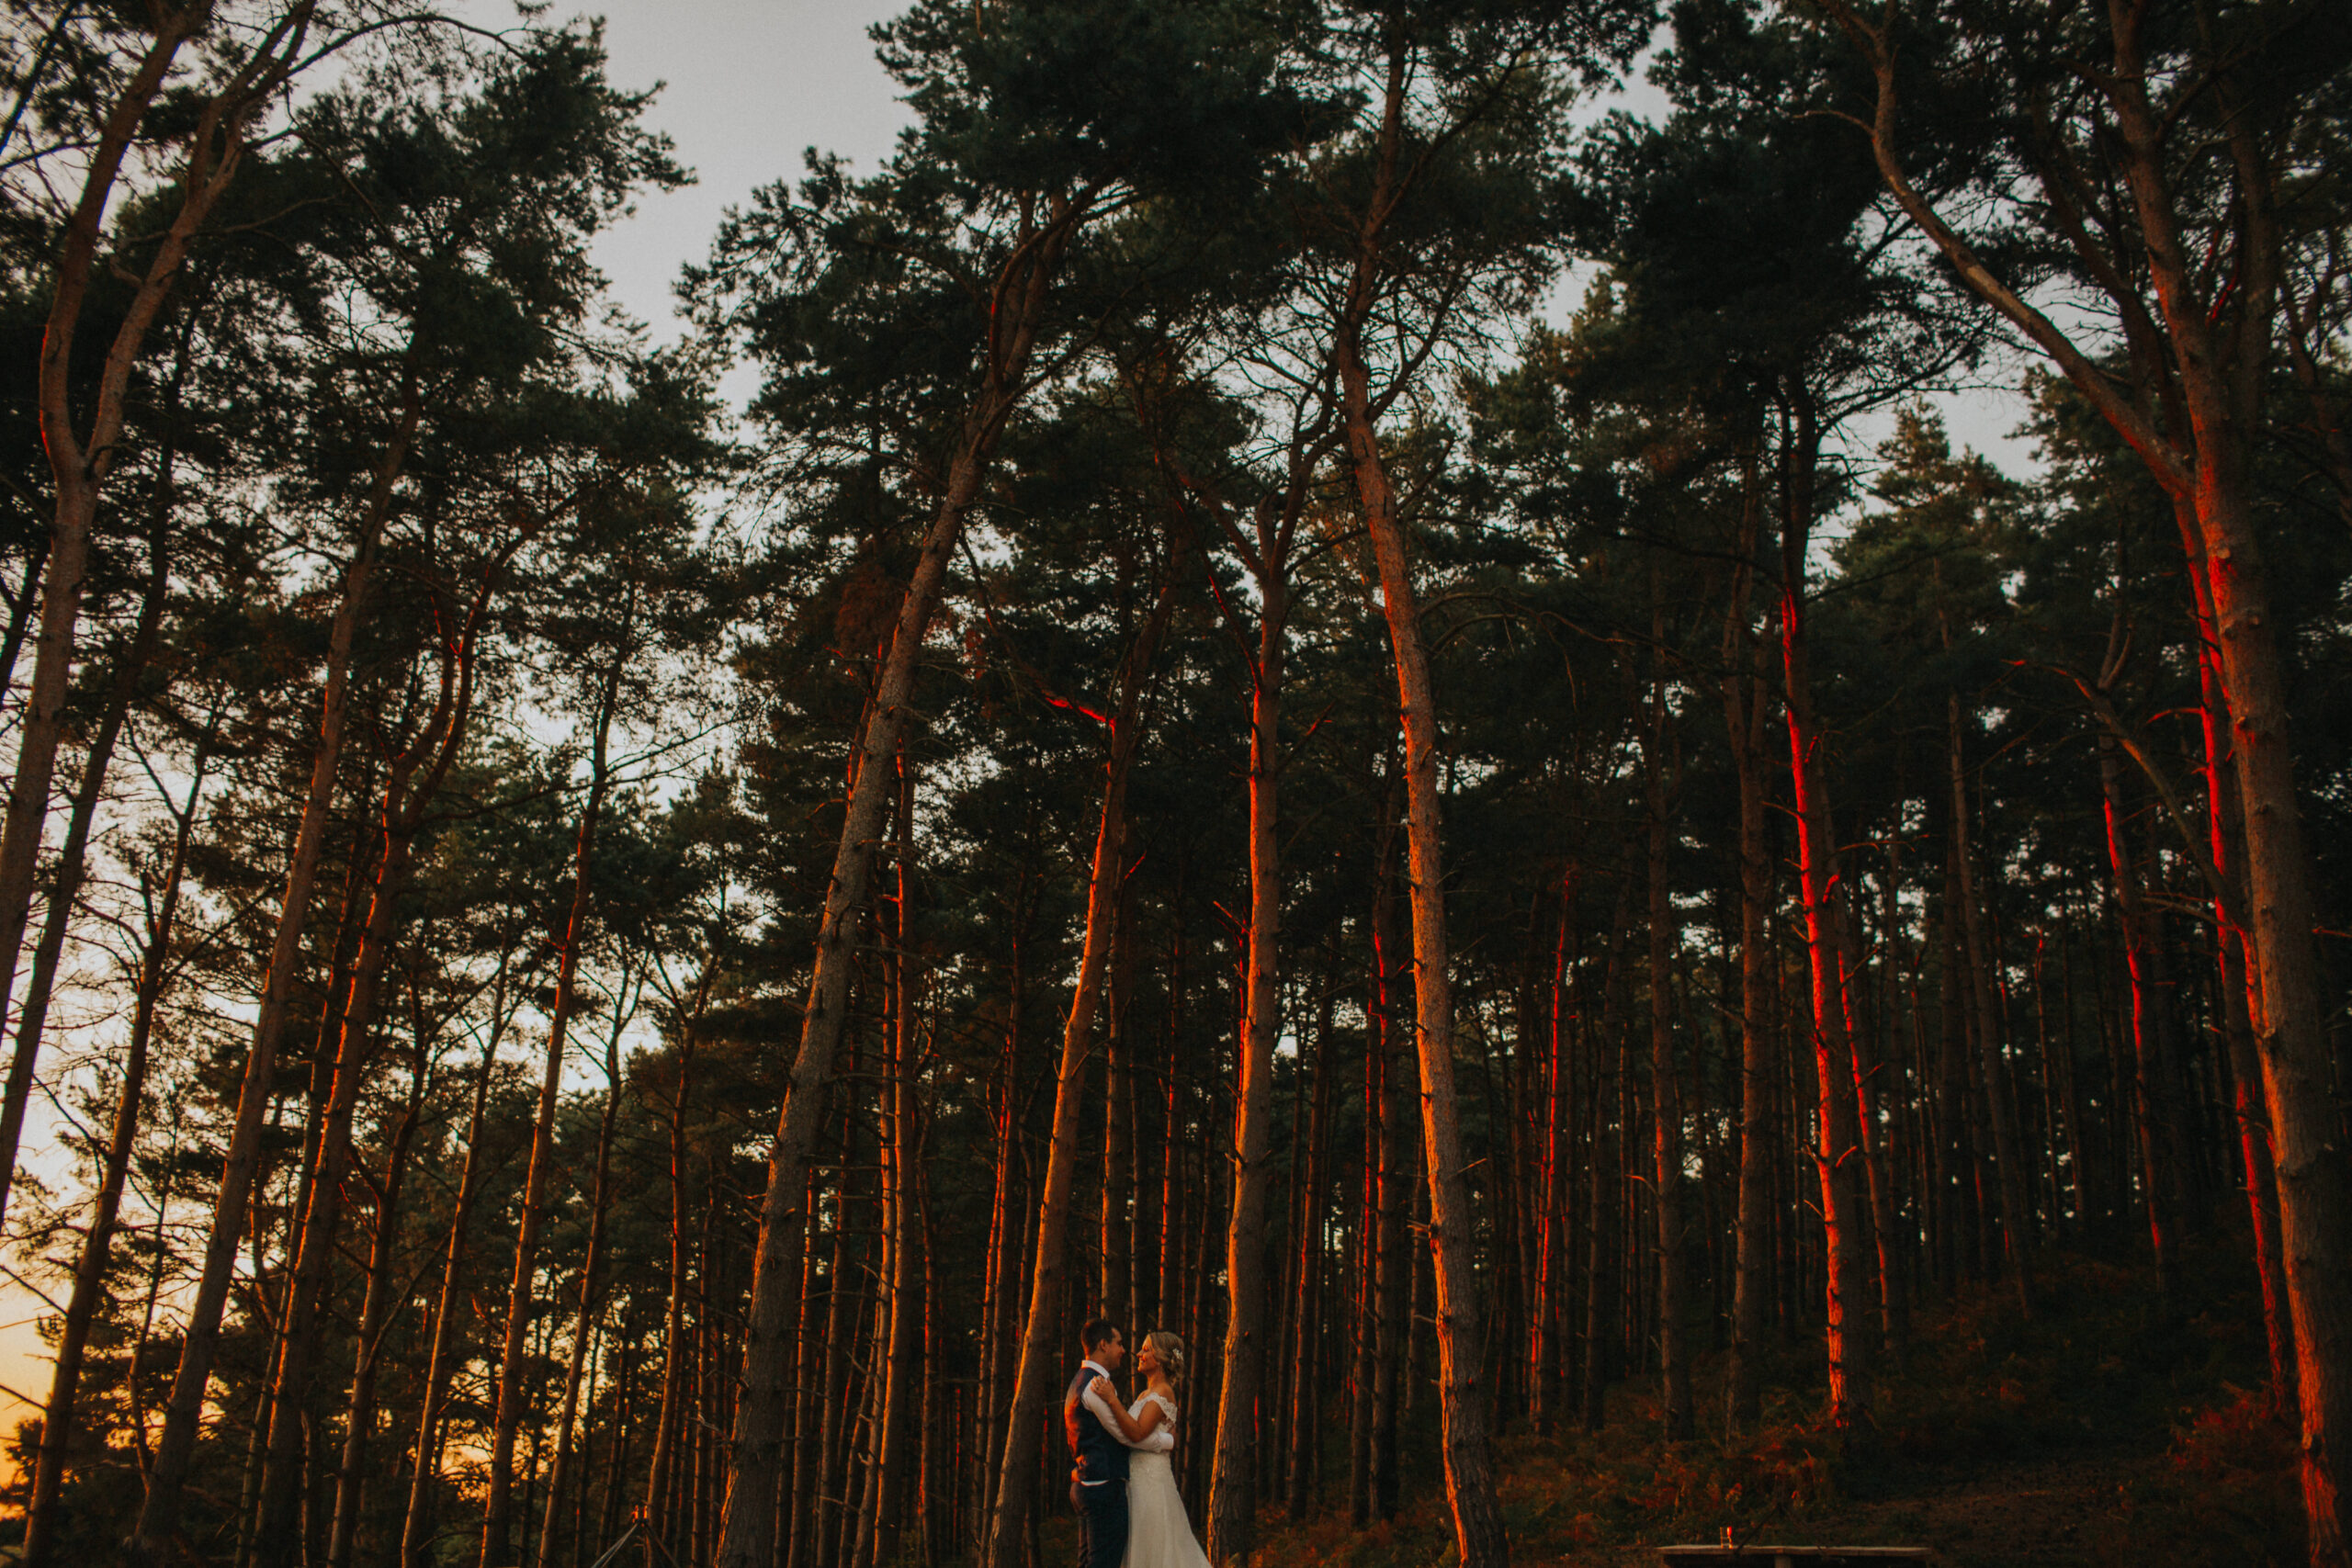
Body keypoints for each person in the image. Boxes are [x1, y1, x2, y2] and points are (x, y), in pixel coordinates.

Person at [1084, 1330, 1207, 1568]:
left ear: (1160, 1357)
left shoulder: (1163, 1392)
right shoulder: (1145, 1394)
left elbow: (1138, 1432)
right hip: (1136, 1481)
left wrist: (1112, 1399)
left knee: (1155, 1548)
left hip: (1152, 1485)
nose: (1139, 1354)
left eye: (1147, 1349)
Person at [1064, 1320, 1132, 1568]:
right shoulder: (1094, 1386)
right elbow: (1123, 1434)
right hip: (1102, 1487)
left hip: (1086, 1483)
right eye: (1119, 1343)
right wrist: (1163, 1441)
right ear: (1103, 1345)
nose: (1123, 1350)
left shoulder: (1080, 1380)